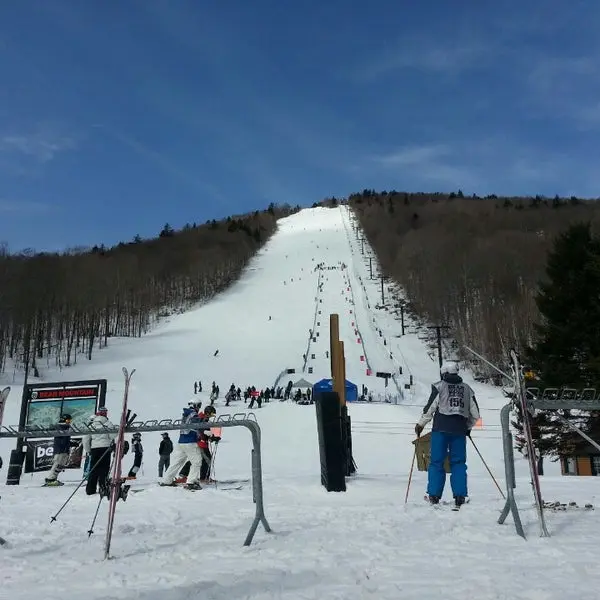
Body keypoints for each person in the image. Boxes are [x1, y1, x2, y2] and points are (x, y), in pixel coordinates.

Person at [415, 361, 480, 507]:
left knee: (436, 462)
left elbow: (430, 410)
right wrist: (467, 427)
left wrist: (420, 425)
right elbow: (475, 414)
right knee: (458, 463)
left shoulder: (439, 387)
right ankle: (460, 496)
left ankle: (434, 495)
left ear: (444, 372)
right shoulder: (467, 389)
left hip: (440, 430)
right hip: (459, 431)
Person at [161, 405, 203, 490]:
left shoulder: (185, 414)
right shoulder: (193, 414)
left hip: (181, 442)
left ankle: (167, 480)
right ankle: (191, 482)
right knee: (197, 462)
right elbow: (197, 426)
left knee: (177, 462)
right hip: (190, 441)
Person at [83, 406, 117, 496]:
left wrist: (88, 450)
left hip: (94, 449)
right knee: (104, 469)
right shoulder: (108, 423)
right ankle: (103, 487)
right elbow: (112, 436)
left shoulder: (92, 425)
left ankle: (90, 489)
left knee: (93, 469)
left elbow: (86, 439)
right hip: (105, 448)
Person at [44, 414, 77, 486]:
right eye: (68, 420)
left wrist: (70, 444)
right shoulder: (60, 427)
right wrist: (67, 444)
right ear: (64, 420)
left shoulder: (66, 427)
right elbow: (61, 440)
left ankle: (54, 478)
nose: (69, 422)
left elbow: (65, 440)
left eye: (70, 420)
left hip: (64, 449)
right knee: (57, 464)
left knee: (61, 465)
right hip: (60, 450)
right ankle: (50, 479)